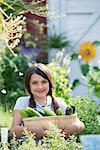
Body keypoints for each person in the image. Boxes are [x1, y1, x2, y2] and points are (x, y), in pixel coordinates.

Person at [11, 63, 84, 139]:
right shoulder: (22, 102)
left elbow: (80, 124)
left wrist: (74, 127)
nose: (40, 87)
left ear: (49, 83)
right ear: (28, 85)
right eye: (35, 83)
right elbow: (13, 130)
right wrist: (30, 130)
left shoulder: (58, 102)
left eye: (44, 82)